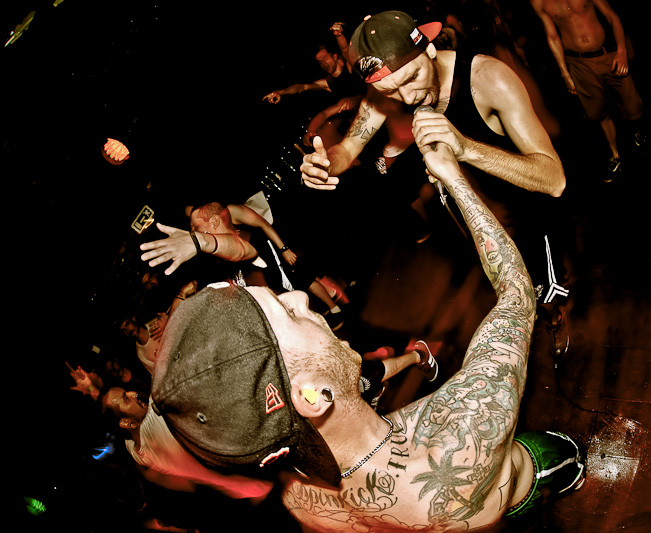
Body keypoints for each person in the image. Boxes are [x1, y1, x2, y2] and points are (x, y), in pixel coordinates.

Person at [150, 130, 585, 530]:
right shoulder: (462, 437)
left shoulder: (298, 495)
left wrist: (205, 243)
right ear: (311, 396)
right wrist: (454, 178)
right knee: (555, 460)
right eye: (288, 312)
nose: (298, 297)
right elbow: (516, 294)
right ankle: (566, 471)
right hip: (521, 480)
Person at [301, 10, 571, 357]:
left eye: (413, 78)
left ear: (428, 49)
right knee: (507, 293)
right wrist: (325, 163)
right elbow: (349, 147)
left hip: (523, 220)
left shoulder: (488, 78)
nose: (407, 97)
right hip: (471, 224)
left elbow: (554, 179)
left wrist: (466, 149)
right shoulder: (387, 91)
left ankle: (555, 318)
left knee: (541, 293)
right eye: (390, 90)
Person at [531, 0, 645, 181]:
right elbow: (552, 36)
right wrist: (565, 73)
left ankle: (637, 132)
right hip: (578, 63)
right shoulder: (539, 2)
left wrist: (621, 51)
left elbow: (611, 16)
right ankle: (615, 155)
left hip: (607, 54)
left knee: (632, 105)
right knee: (598, 112)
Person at [189, 202, 346, 330]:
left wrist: (283, 249)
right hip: (256, 264)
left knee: (300, 277)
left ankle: (334, 310)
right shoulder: (213, 246)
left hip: (269, 249)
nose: (193, 231)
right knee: (282, 289)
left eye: (196, 226)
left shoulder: (231, 211)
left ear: (214, 221)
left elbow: (263, 224)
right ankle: (314, 316)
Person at [101, 387, 274, 501]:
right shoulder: (155, 422)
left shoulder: (136, 452)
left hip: (244, 488)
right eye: (126, 398)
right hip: (256, 468)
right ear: (125, 423)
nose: (134, 394)